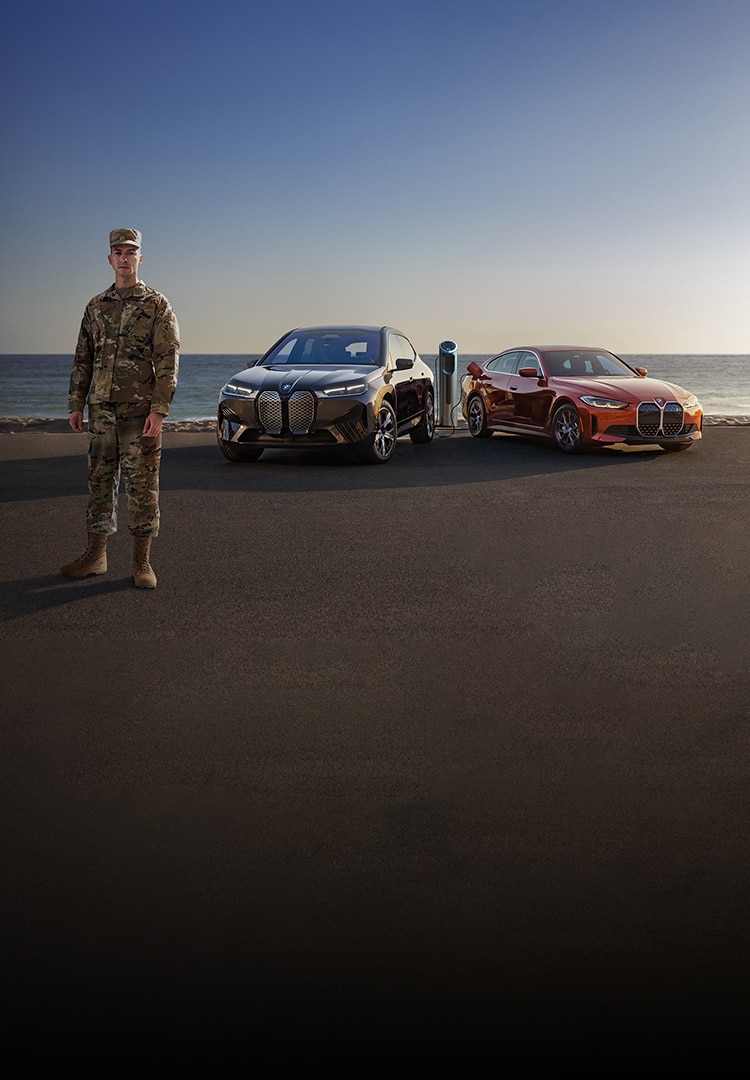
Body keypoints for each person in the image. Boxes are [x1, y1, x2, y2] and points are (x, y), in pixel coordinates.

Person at [61, 228, 180, 588]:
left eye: (131, 252)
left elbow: (168, 358)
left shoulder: (156, 305)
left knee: (142, 485)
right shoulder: (95, 307)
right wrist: (76, 403)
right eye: (118, 252)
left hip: (139, 413)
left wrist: (159, 409)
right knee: (99, 482)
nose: (124, 258)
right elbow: (83, 358)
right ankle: (95, 556)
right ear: (110, 259)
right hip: (100, 411)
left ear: (140, 258)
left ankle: (141, 563)